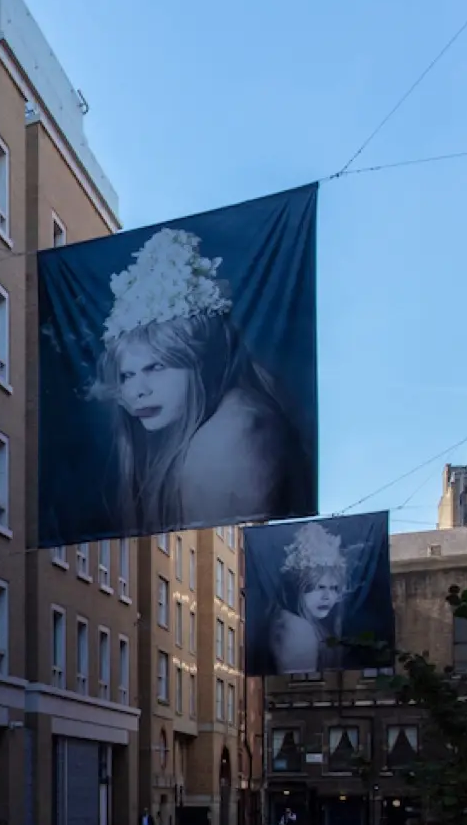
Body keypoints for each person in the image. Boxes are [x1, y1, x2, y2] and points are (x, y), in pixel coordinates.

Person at [94, 228, 306, 531]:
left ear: (199, 362)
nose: (138, 391)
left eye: (156, 367)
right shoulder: (208, 427)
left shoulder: (235, 435)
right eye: (127, 375)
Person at [265, 522, 367, 675]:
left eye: (333, 588)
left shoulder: (305, 623)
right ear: (300, 587)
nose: (327, 597)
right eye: (319, 587)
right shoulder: (298, 628)